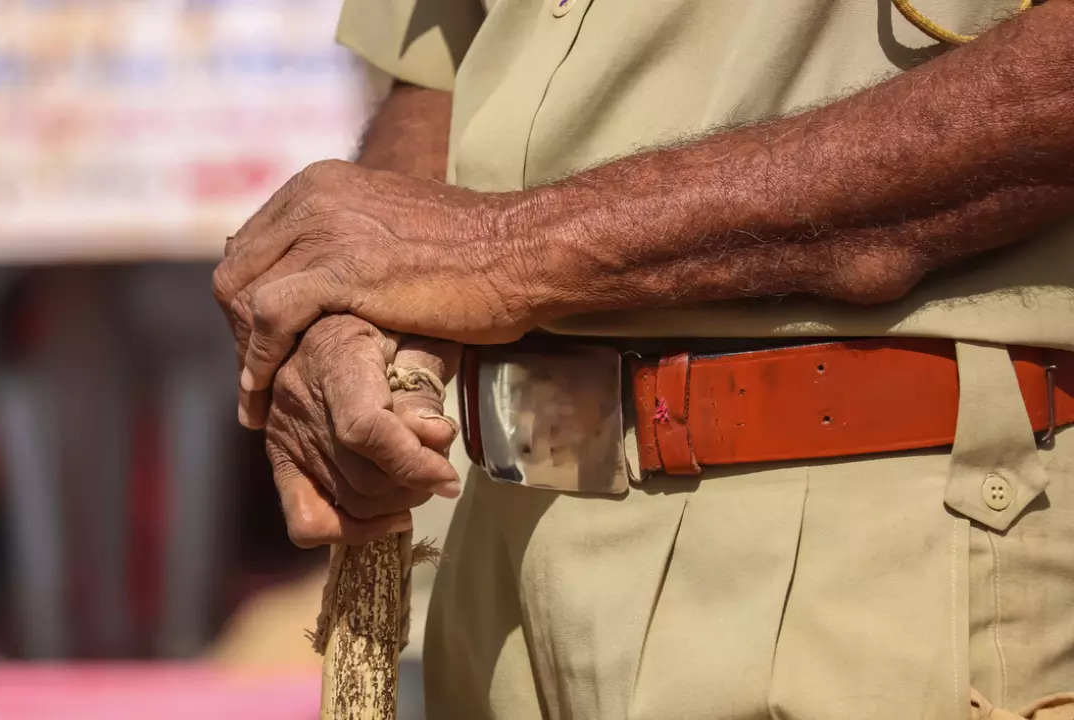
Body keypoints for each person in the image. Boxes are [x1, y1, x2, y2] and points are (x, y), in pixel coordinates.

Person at [213, 1, 1074, 717]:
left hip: (878, 548)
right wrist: (361, 311)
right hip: (507, 555)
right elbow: (443, 62)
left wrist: (496, 252)